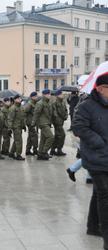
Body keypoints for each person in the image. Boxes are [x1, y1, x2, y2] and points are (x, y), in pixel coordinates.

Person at [72, 73, 108, 250]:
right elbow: (78, 127)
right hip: (96, 157)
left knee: (99, 193)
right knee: (105, 195)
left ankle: (93, 226)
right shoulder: (86, 106)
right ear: (100, 89)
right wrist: (99, 142)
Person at [32, 89, 54, 160]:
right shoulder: (40, 103)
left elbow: (50, 113)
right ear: (44, 95)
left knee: (43, 139)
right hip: (42, 123)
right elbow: (36, 113)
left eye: (50, 94)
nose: (49, 95)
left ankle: (40, 154)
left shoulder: (49, 102)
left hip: (47, 122)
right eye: (48, 94)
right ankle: (44, 152)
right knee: (51, 137)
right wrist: (33, 123)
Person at [8, 95, 26, 161]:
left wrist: (24, 125)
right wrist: (9, 128)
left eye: (20, 98)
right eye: (18, 98)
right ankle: (18, 155)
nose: (19, 99)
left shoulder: (21, 107)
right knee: (19, 141)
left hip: (20, 126)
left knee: (16, 140)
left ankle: (11, 153)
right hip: (15, 127)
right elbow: (10, 119)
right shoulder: (13, 108)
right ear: (15, 100)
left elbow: (22, 117)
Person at [50, 90, 68, 156]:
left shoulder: (63, 102)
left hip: (62, 121)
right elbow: (54, 113)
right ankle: (59, 150)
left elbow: (66, 110)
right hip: (57, 122)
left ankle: (52, 149)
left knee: (57, 136)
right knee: (62, 135)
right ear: (57, 95)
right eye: (61, 94)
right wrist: (57, 121)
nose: (62, 95)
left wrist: (66, 116)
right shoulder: (55, 103)